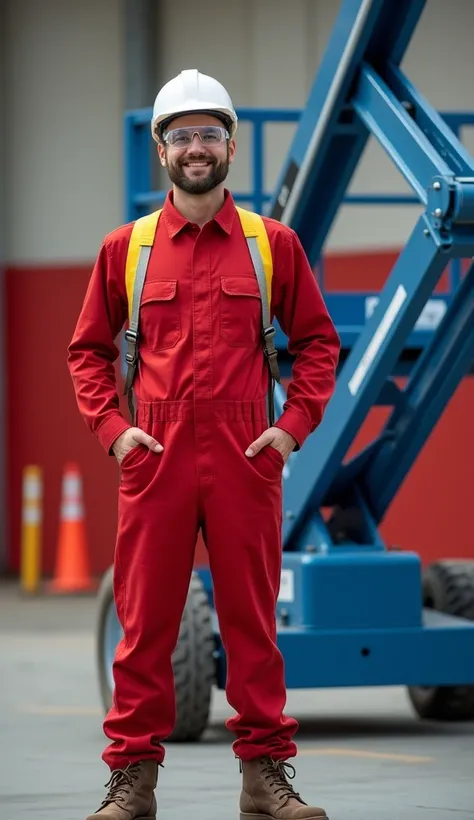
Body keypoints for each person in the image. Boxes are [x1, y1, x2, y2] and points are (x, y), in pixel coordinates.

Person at [68, 68, 340, 820]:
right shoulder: (127, 248)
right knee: (144, 624)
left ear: (231, 143)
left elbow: (317, 344)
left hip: (245, 449)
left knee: (252, 623)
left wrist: (291, 427)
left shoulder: (270, 244)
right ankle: (133, 784)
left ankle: (265, 779)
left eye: (209, 134)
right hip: (152, 452)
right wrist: (115, 431)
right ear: (161, 148)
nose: (197, 148)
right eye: (182, 135)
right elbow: (87, 351)